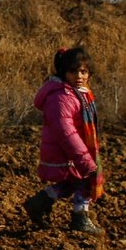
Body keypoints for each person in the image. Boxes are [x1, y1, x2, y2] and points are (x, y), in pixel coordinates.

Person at [23, 46, 104, 234]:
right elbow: (65, 132)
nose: (79, 76)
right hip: (66, 151)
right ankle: (80, 219)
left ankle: (40, 202)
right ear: (64, 72)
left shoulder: (78, 93)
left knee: (69, 184)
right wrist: (84, 160)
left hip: (71, 150)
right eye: (73, 71)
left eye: (83, 71)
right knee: (84, 183)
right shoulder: (62, 97)